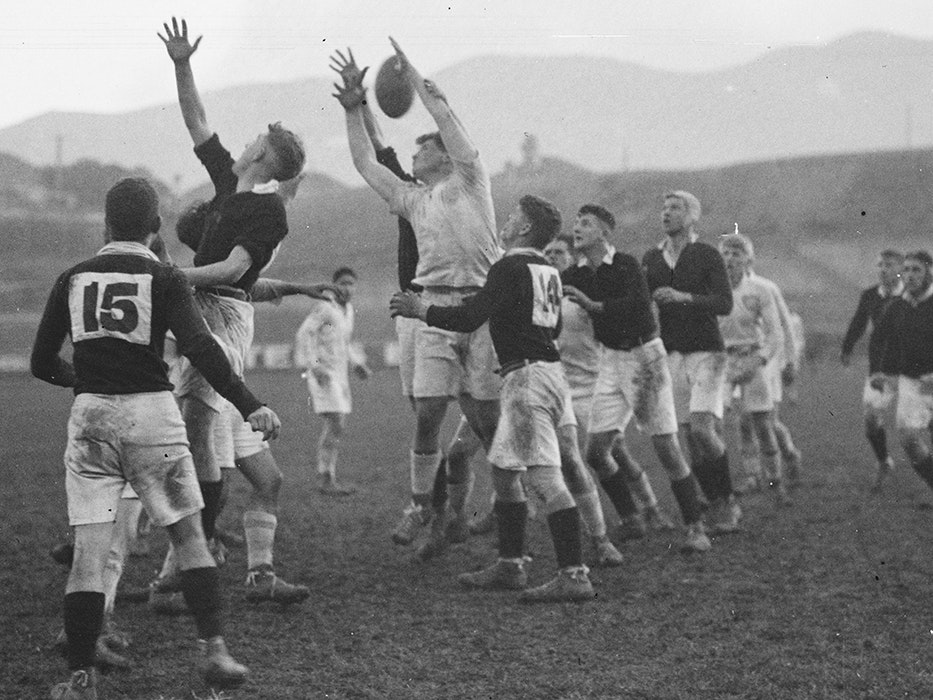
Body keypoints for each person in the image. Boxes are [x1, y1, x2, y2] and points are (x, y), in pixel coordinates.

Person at [31, 178, 274, 697]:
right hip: (153, 416)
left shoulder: (71, 278)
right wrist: (251, 404)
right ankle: (215, 652)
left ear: (104, 223)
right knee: (188, 537)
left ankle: (79, 680)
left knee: (88, 555)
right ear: (156, 226)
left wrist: (87, 380)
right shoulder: (163, 276)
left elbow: (40, 362)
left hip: (92, 420)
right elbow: (202, 348)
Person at [158, 17, 309, 603]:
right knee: (242, 462)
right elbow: (196, 120)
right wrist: (181, 64)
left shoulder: (268, 213)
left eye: (259, 141)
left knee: (198, 432)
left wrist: (173, 276)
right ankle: (243, 570)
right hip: (204, 307)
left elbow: (231, 273)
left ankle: (183, 566)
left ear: (266, 159)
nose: (247, 142)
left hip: (219, 312)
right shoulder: (228, 184)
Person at [333, 40, 500, 549]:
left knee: (485, 421)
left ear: (446, 155)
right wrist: (349, 111)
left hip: (480, 309)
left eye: (424, 147)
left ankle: (506, 498)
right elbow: (366, 163)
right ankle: (423, 506)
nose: (415, 153)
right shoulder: (412, 199)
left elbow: (447, 123)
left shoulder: (471, 179)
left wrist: (422, 81)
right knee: (427, 412)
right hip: (429, 306)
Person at [391, 195, 596, 602]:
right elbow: (549, 328)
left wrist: (422, 310)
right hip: (550, 374)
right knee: (503, 472)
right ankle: (510, 564)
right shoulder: (548, 270)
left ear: (523, 229)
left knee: (545, 479)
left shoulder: (507, 266)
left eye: (512, 217)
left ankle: (574, 574)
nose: (504, 221)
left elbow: (470, 319)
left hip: (526, 379)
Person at [561, 206, 711, 553]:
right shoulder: (574, 274)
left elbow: (637, 304)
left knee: (666, 447)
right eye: (576, 222)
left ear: (604, 233)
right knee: (596, 452)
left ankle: (695, 528)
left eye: (585, 224)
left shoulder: (627, 264)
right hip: (611, 360)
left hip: (645, 358)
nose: (577, 228)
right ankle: (632, 518)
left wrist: (593, 306)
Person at [545, 234, 676, 540]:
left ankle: (648, 508)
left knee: (614, 450)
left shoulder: (585, 291)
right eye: (547, 252)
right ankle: (592, 518)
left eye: (559, 253)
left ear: (572, 258)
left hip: (594, 379)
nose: (551, 257)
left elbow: (613, 327)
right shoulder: (547, 294)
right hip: (560, 383)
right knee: (567, 456)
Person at [642, 191, 737, 533]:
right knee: (687, 438)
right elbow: (642, 305)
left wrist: (683, 298)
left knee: (702, 429)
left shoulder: (707, 255)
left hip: (707, 352)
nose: (666, 213)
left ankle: (725, 501)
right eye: (663, 207)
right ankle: (714, 501)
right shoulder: (652, 259)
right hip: (670, 354)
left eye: (675, 208)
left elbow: (724, 303)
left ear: (693, 216)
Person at [717, 231, 792, 507]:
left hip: (752, 358)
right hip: (723, 361)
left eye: (736, 253)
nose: (729, 258)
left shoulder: (759, 290)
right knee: (723, 423)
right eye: (725, 252)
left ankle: (775, 482)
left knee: (761, 424)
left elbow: (775, 333)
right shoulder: (713, 289)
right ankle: (747, 477)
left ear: (749, 259)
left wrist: (759, 360)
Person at [295, 266, 372, 496]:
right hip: (324, 374)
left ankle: (326, 476)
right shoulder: (324, 308)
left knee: (337, 424)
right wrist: (314, 365)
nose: (348, 287)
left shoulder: (346, 311)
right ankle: (325, 477)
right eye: (343, 283)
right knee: (336, 422)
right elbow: (304, 334)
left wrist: (357, 363)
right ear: (334, 285)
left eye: (351, 283)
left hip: (340, 375)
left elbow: (344, 343)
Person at [734, 259, 804, 493]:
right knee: (743, 421)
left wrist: (791, 361)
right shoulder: (726, 287)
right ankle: (753, 476)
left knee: (768, 423)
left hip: (769, 362)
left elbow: (785, 326)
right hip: (741, 361)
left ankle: (790, 455)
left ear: (748, 260)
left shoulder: (766, 287)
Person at [841, 249, 905, 491]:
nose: (882, 269)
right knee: (870, 418)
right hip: (882, 366)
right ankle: (884, 461)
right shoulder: (869, 295)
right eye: (880, 265)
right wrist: (847, 347)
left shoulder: (913, 296)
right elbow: (858, 322)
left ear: (901, 268)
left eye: (888, 265)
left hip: (913, 366)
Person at [873, 250, 933, 496]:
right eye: (906, 270)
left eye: (916, 270)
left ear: (929, 273)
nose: (909, 275)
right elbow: (883, 339)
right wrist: (881, 371)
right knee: (908, 438)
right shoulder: (896, 306)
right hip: (912, 382)